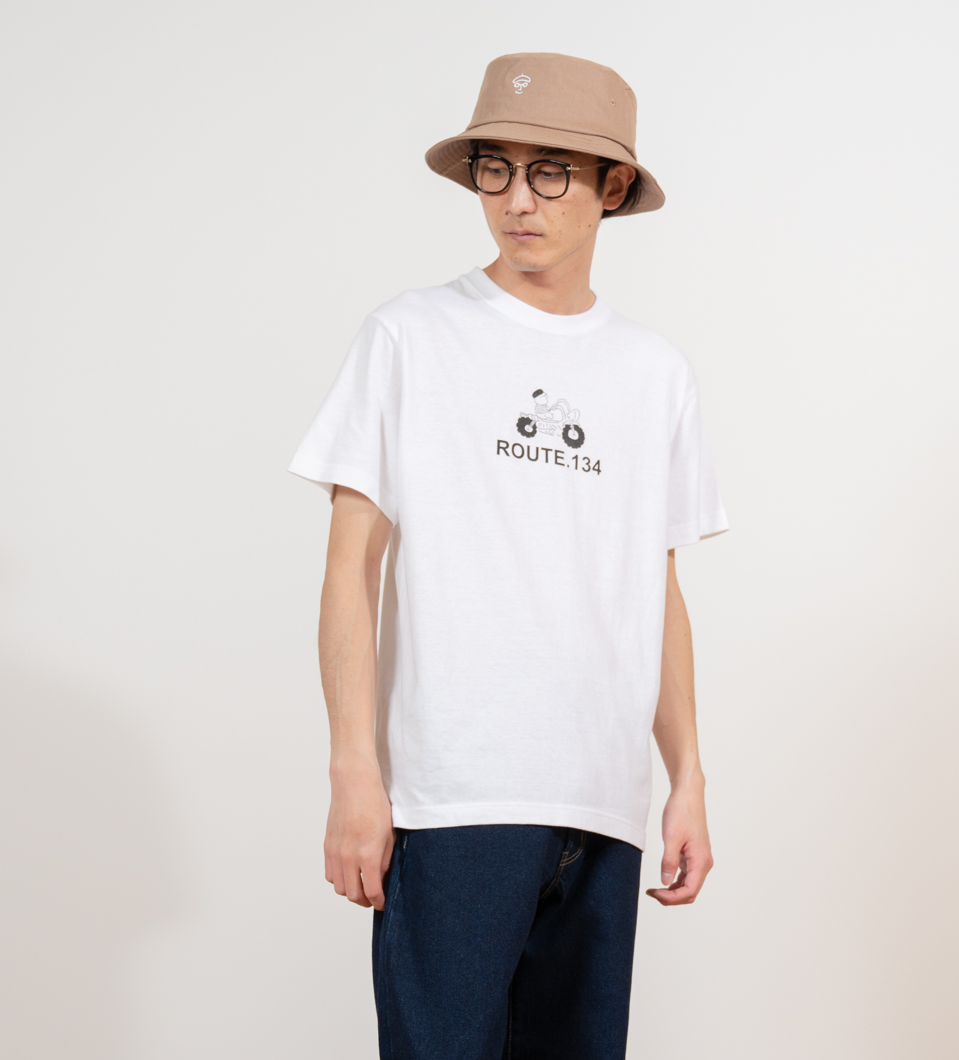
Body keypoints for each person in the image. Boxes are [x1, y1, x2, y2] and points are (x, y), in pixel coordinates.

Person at [287, 51, 729, 1060]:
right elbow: (351, 566)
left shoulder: (654, 372)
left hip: (603, 803)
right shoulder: (410, 336)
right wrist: (355, 772)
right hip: (455, 796)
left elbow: (654, 588)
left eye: (550, 172)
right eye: (497, 169)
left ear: (612, 186)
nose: (516, 201)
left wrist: (688, 776)